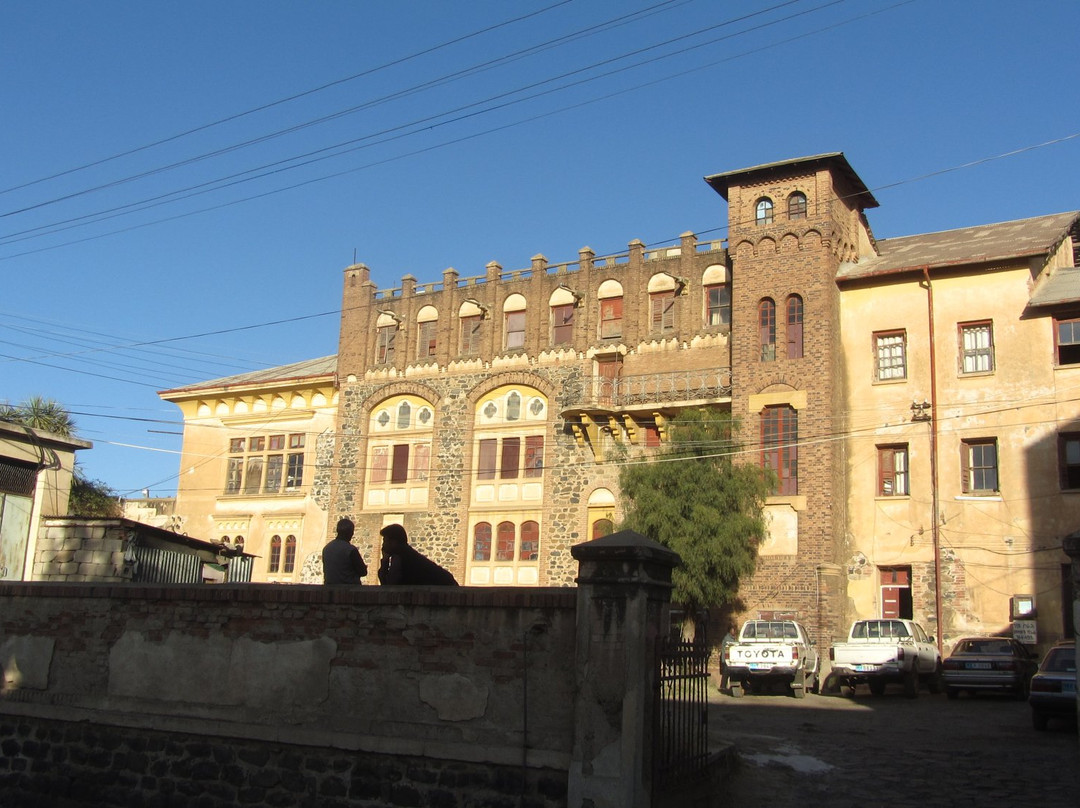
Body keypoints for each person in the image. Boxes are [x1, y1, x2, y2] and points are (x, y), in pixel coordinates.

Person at [377, 523, 458, 586]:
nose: (383, 545)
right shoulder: (406, 553)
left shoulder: (400, 556)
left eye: (385, 541)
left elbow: (389, 585)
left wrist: (384, 561)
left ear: (393, 542)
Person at [322, 518, 368, 584]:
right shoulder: (350, 550)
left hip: (329, 588)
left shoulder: (327, 548)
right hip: (349, 589)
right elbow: (363, 572)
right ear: (350, 532)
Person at [719, 623, 738, 693]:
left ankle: (729, 686)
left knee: (730, 673)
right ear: (729, 630)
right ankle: (723, 686)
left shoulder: (733, 638)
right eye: (733, 630)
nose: (734, 631)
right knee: (725, 673)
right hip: (726, 659)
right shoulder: (727, 638)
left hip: (731, 659)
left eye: (734, 630)